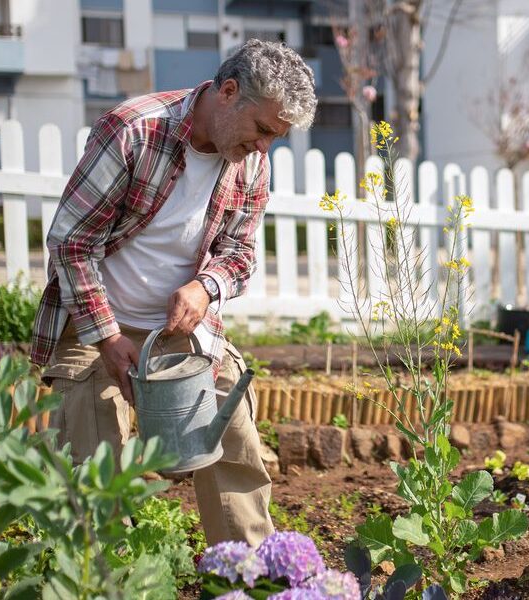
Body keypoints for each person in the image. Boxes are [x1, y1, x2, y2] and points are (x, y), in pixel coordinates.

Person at [29, 40, 316, 546]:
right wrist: (108, 338)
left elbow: (240, 254)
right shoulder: (135, 131)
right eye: (263, 130)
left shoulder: (250, 162)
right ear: (228, 92)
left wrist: (206, 288)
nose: (265, 147)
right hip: (95, 325)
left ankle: (246, 576)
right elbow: (71, 244)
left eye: (277, 137)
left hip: (181, 329)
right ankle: (106, 578)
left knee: (234, 442)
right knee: (94, 468)